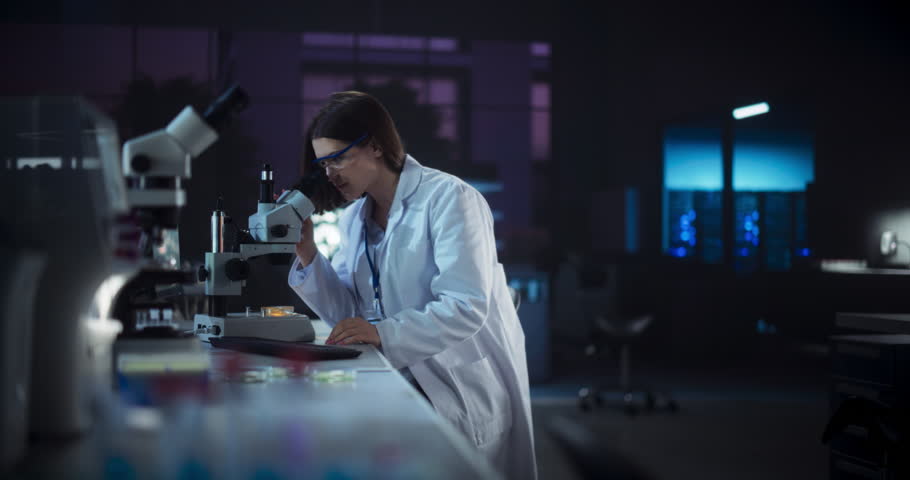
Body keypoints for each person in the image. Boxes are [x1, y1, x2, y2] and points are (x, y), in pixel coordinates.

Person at [287, 91, 537, 479]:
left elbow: (466, 306)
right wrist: (308, 254)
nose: (330, 174)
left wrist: (382, 332)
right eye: (322, 164)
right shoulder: (354, 219)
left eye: (337, 158)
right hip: (401, 380)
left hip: (456, 383)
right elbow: (349, 318)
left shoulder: (450, 198)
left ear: (374, 146)